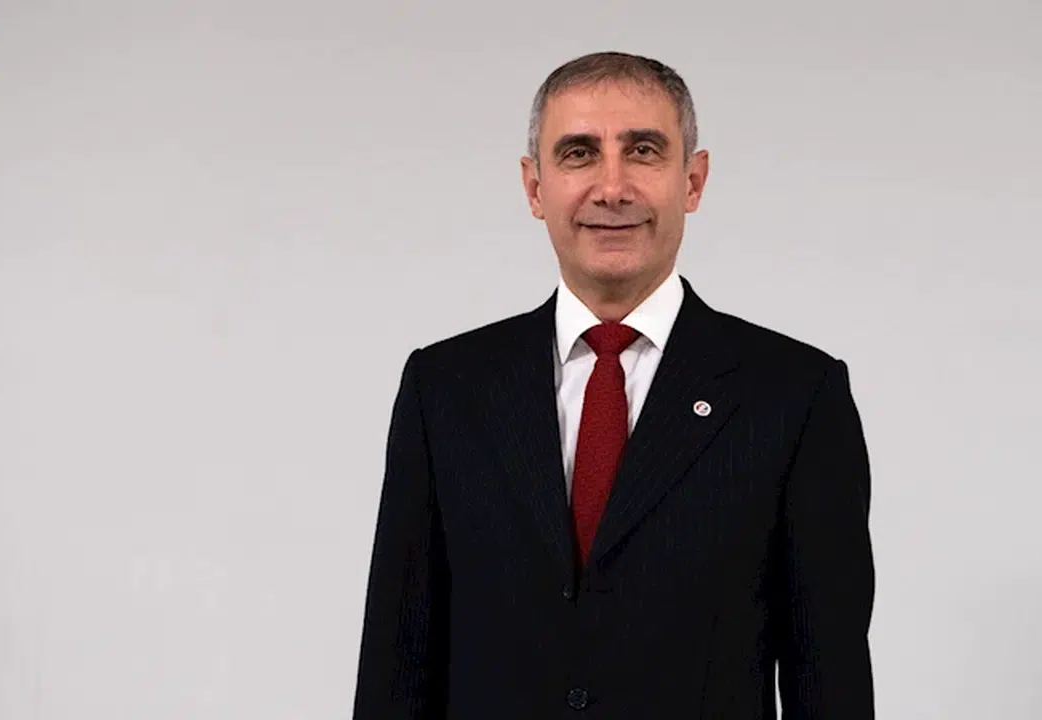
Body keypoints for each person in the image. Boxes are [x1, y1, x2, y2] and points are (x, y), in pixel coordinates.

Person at [352, 51, 875, 719]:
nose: (612, 187)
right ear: (534, 188)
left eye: (643, 151)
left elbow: (829, 683)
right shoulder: (445, 390)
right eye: (578, 154)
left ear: (693, 180)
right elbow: (397, 672)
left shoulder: (795, 396)